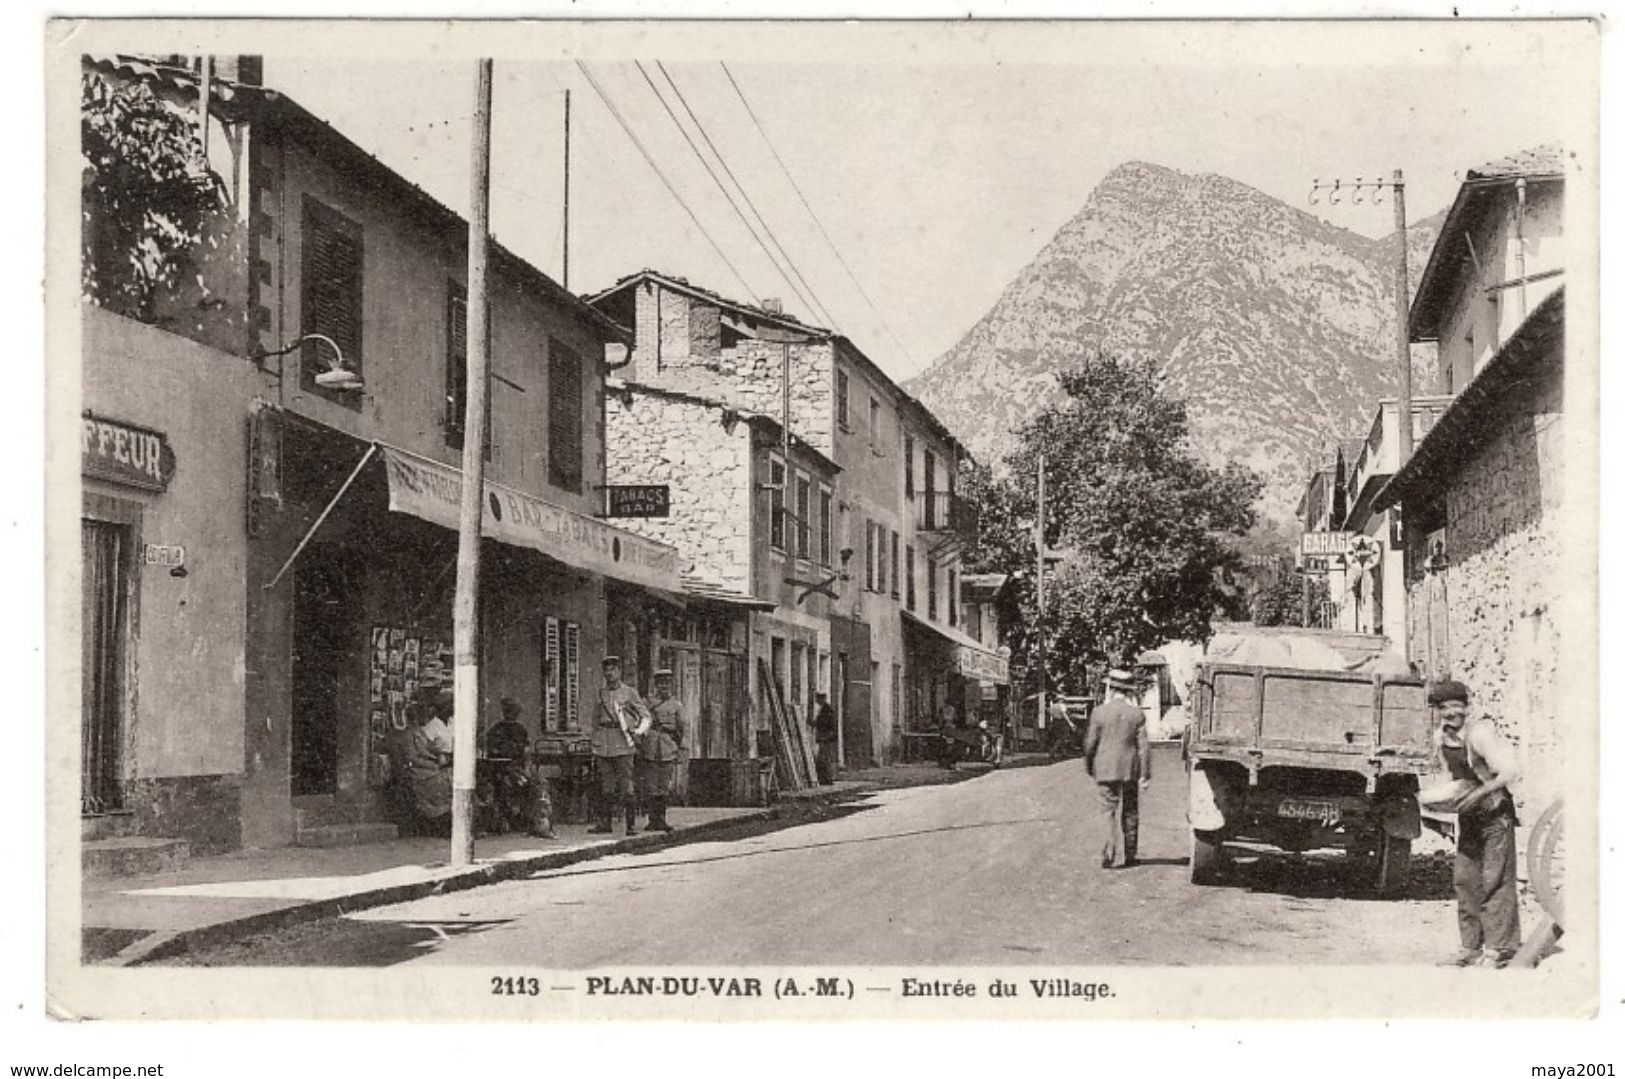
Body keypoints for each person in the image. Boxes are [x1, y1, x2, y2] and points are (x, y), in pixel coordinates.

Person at [1430, 679, 1522, 968]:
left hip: (1496, 816)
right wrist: (1441, 811)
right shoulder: (1440, 738)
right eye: (1444, 708)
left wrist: (1479, 793)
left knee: (1496, 881)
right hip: (1469, 817)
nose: (1450, 714)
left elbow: (1511, 771)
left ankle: (1499, 949)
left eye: (1456, 707)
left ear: (1466, 707)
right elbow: (1452, 780)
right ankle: (1470, 947)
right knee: (1465, 881)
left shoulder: (1480, 734)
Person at [1084, 669, 1151, 869]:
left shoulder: (1099, 712)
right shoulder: (1137, 714)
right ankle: (1131, 854)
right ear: (1129, 692)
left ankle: (1109, 851)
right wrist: (1145, 774)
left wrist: (1090, 766)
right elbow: (1144, 747)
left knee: (1107, 810)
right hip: (1130, 770)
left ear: (1111, 689)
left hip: (1105, 769)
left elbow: (1090, 744)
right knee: (1130, 811)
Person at [591, 655, 652, 835]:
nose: (609, 673)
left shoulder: (629, 692)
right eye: (606, 670)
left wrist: (639, 731)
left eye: (613, 670)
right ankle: (605, 823)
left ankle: (630, 825)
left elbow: (646, 716)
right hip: (604, 743)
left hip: (623, 742)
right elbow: (595, 720)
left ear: (619, 671)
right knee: (606, 785)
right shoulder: (600, 693)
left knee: (626, 785)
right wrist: (593, 741)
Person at [482, 697, 556, 839]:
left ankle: (538, 822)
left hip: (516, 769)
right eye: (510, 710)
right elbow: (495, 753)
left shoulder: (518, 729)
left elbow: (525, 753)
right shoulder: (497, 730)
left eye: (514, 711)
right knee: (532, 785)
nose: (512, 713)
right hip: (504, 770)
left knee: (539, 785)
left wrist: (527, 769)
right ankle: (535, 823)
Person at [637, 669, 686, 833]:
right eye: (660, 684)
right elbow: (640, 724)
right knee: (651, 786)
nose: (663, 687)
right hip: (650, 747)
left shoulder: (676, 705)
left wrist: (679, 748)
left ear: (670, 685)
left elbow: (682, 728)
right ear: (656, 685)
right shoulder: (646, 703)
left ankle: (661, 819)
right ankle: (652, 820)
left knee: (664, 786)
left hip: (667, 748)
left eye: (666, 683)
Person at [403, 696, 453, 835]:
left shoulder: (420, 732)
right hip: (418, 772)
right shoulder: (409, 735)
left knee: (448, 778)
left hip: (428, 768)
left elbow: (429, 749)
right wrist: (432, 765)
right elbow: (412, 758)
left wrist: (437, 756)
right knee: (443, 782)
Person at [813, 693, 838, 785]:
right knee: (824, 758)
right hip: (826, 737)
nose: (817, 701)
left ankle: (827, 779)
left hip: (826, 738)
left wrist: (814, 723)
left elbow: (825, 724)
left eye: (818, 699)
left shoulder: (826, 709)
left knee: (824, 759)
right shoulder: (825, 708)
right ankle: (826, 779)